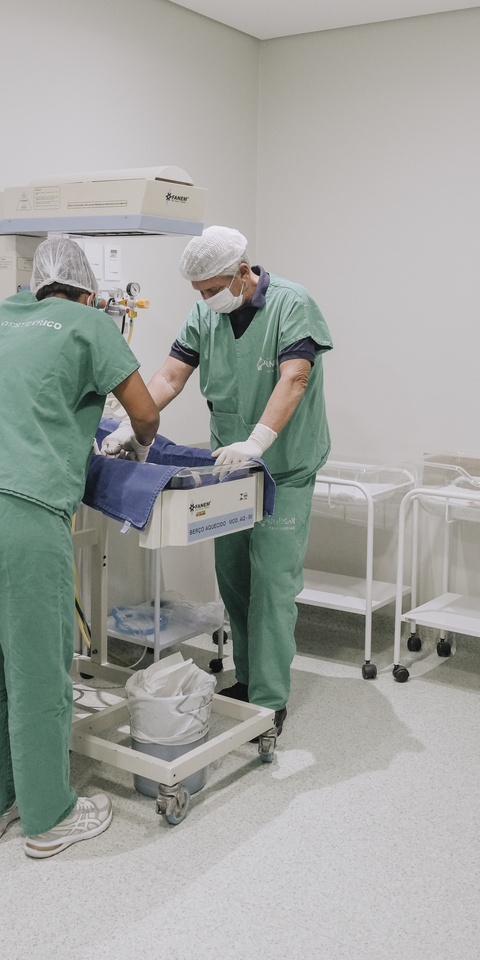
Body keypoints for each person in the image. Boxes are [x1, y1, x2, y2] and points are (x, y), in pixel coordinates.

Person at [0, 235, 159, 858]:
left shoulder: (1, 317)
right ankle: (49, 817)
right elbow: (144, 413)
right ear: (90, 293)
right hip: (18, 513)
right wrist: (137, 448)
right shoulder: (92, 323)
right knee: (36, 670)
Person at [103, 225, 332, 729]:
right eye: (199, 292)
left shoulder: (292, 304)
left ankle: (268, 702)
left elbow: (295, 376)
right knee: (235, 583)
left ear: (243, 273)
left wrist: (258, 441)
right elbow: (170, 376)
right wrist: (129, 423)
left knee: (271, 586)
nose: (206, 300)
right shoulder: (205, 314)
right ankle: (247, 679)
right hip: (229, 473)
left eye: (212, 290)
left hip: (284, 468)